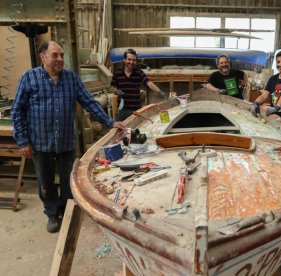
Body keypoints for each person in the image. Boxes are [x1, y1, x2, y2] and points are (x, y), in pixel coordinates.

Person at [11, 41, 125, 233]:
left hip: (65, 141)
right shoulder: (29, 78)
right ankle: (52, 213)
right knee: (45, 181)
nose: (60, 59)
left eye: (62, 55)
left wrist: (110, 122)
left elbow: (89, 101)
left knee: (68, 181)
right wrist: (22, 140)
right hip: (40, 142)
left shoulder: (71, 79)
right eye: (55, 55)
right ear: (43, 57)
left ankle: (67, 210)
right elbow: (17, 111)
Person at [111, 48, 167, 121]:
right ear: (124, 60)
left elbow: (148, 83)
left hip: (136, 110)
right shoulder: (117, 73)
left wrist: (160, 92)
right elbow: (113, 86)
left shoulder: (139, 73)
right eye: (129, 59)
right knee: (119, 129)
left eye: (134, 60)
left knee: (137, 130)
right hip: (122, 110)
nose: (131, 62)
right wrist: (116, 91)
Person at [251, 50, 281, 128]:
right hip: (275, 119)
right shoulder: (273, 79)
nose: (280, 65)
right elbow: (264, 95)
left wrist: (277, 107)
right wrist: (255, 103)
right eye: (278, 62)